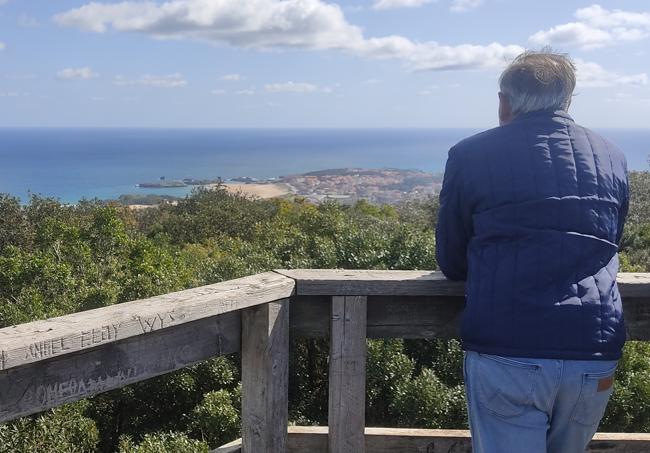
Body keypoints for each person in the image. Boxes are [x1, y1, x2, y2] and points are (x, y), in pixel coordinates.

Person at [435, 50, 629, 453]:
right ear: (567, 101)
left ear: (504, 102)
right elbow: (611, 241)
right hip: (593, 348)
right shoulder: (611, 156)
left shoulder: (471, 155)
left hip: (508, 345)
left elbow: (452, 260)